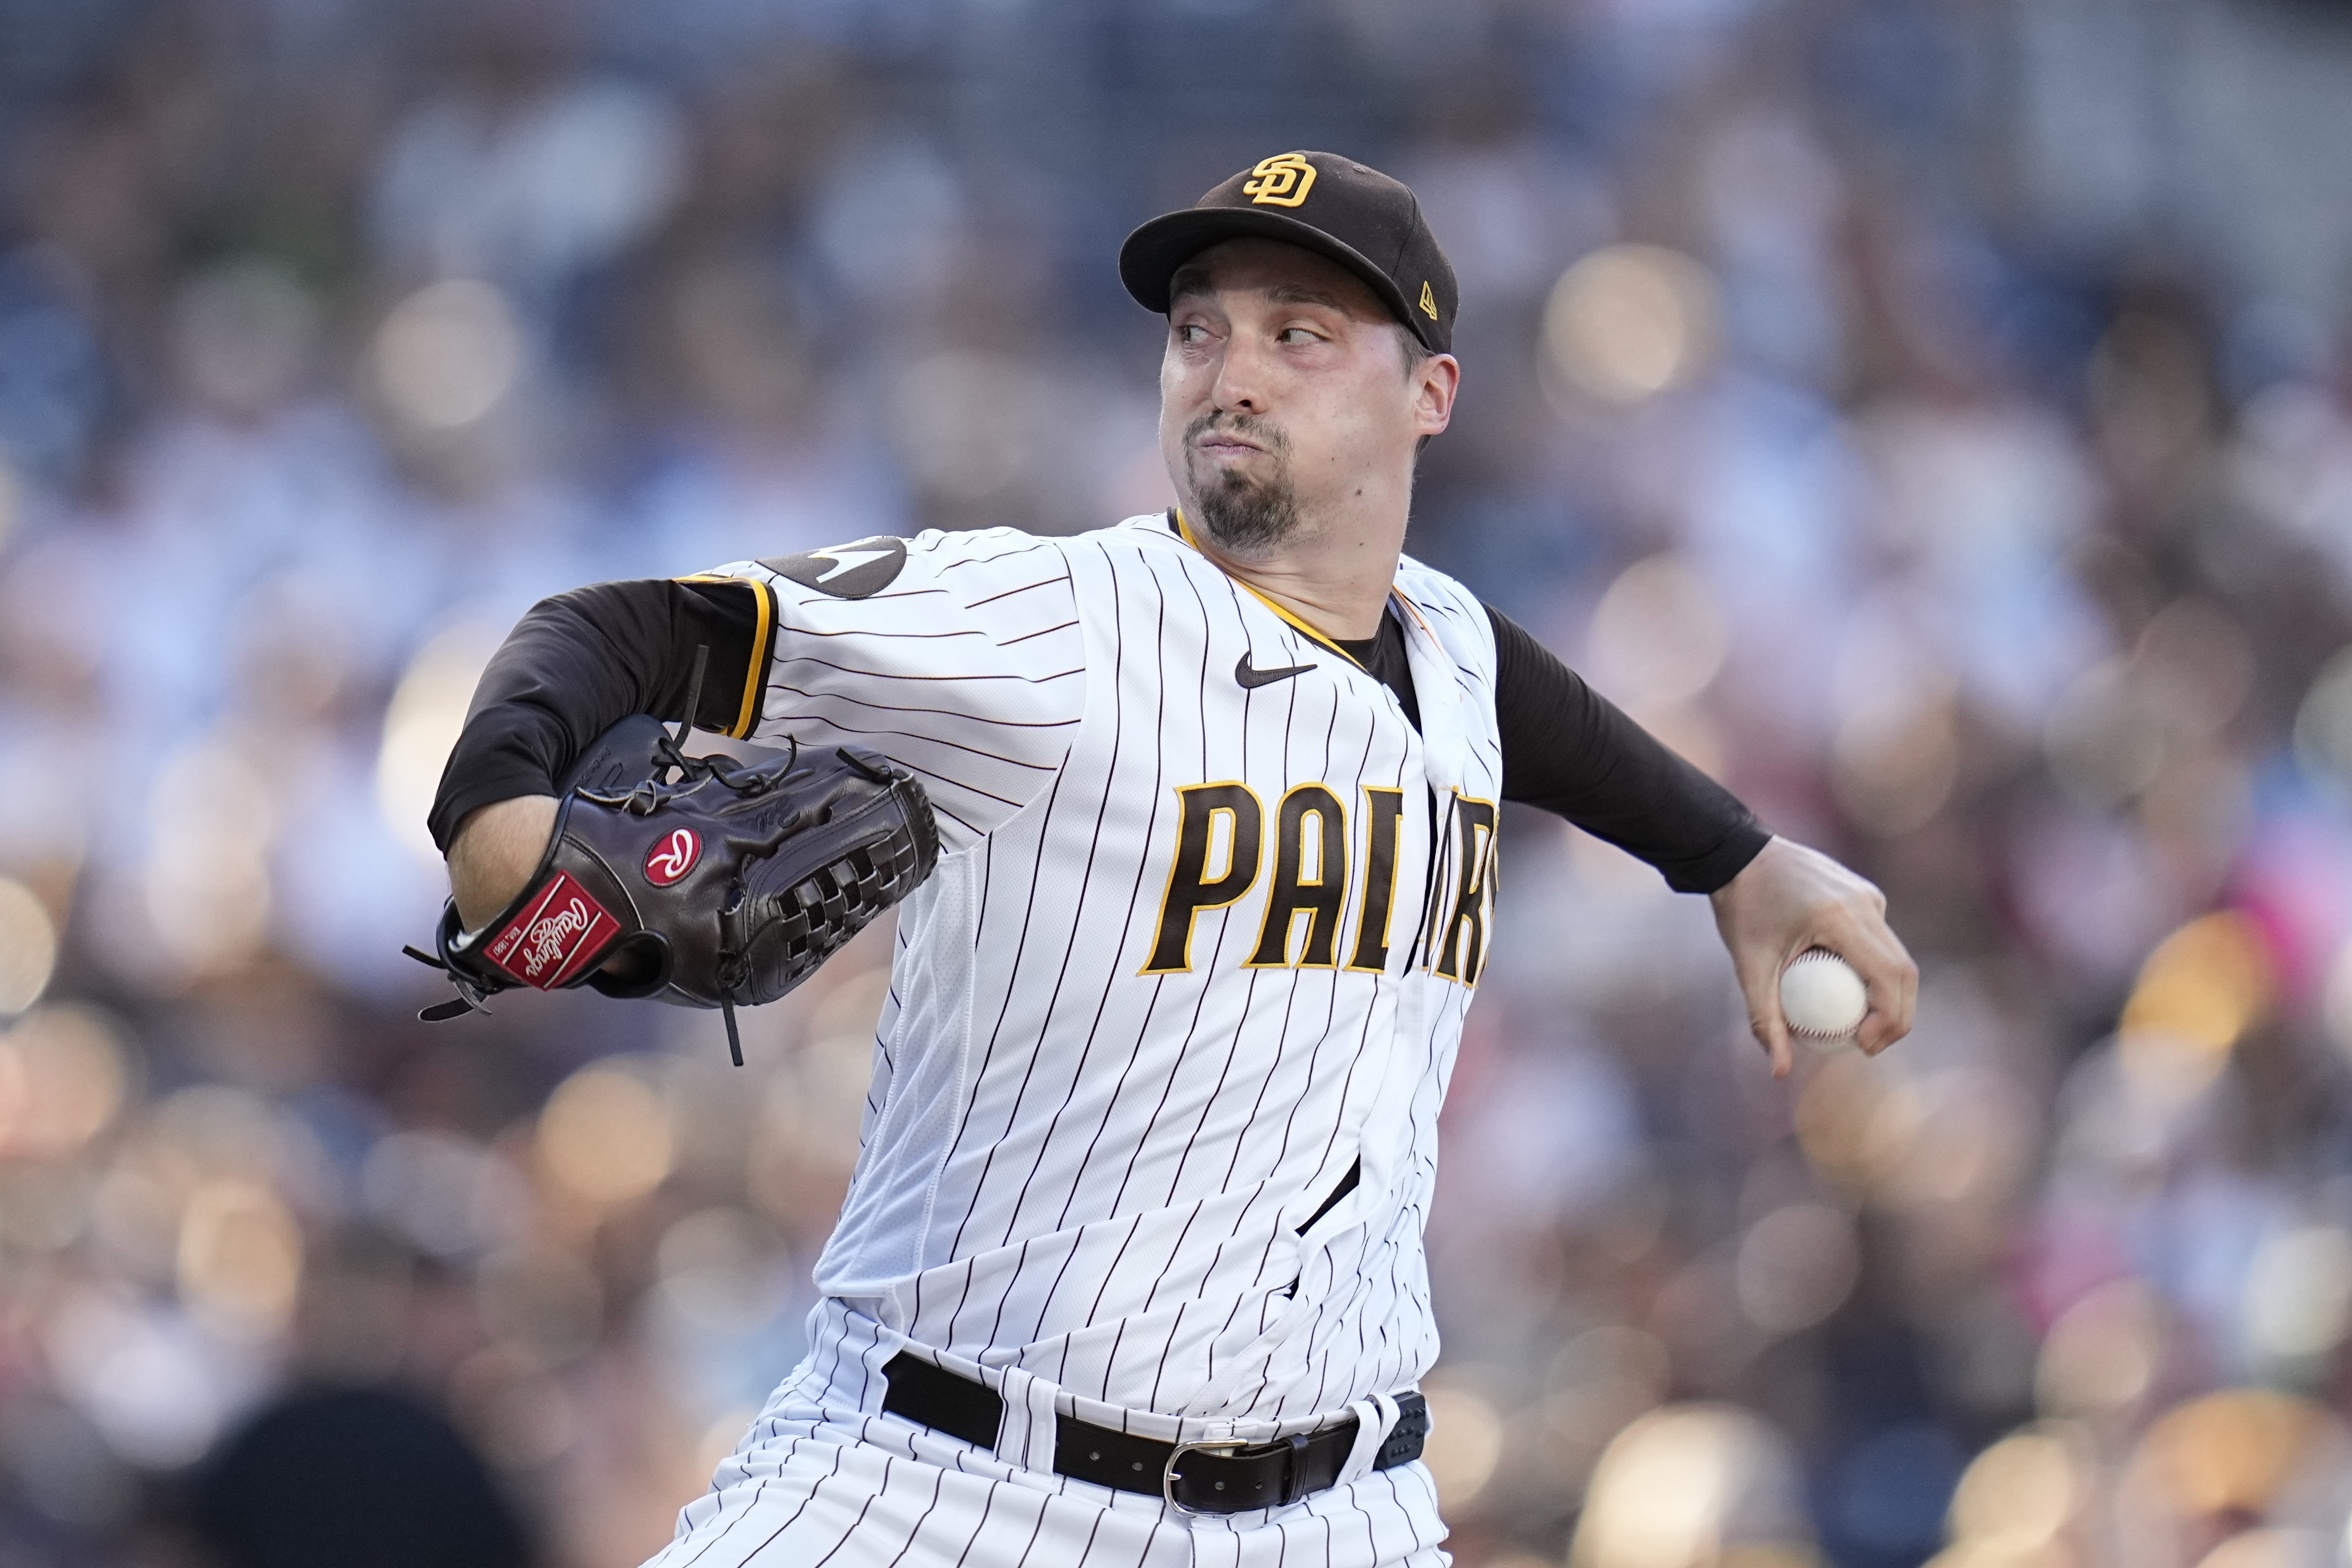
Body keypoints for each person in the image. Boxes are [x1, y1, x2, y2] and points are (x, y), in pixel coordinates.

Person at [432, 151, 1915, 1567]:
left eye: (1299, 334)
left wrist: (1733, 858)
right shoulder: (1051, 625)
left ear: (1431, 394)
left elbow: (1530, 710)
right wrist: (498, 808)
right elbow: (615, 628)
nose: (1232, 371)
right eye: (1199, 331)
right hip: (944, 1486)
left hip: (1341, 1511)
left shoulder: (1450, 643)